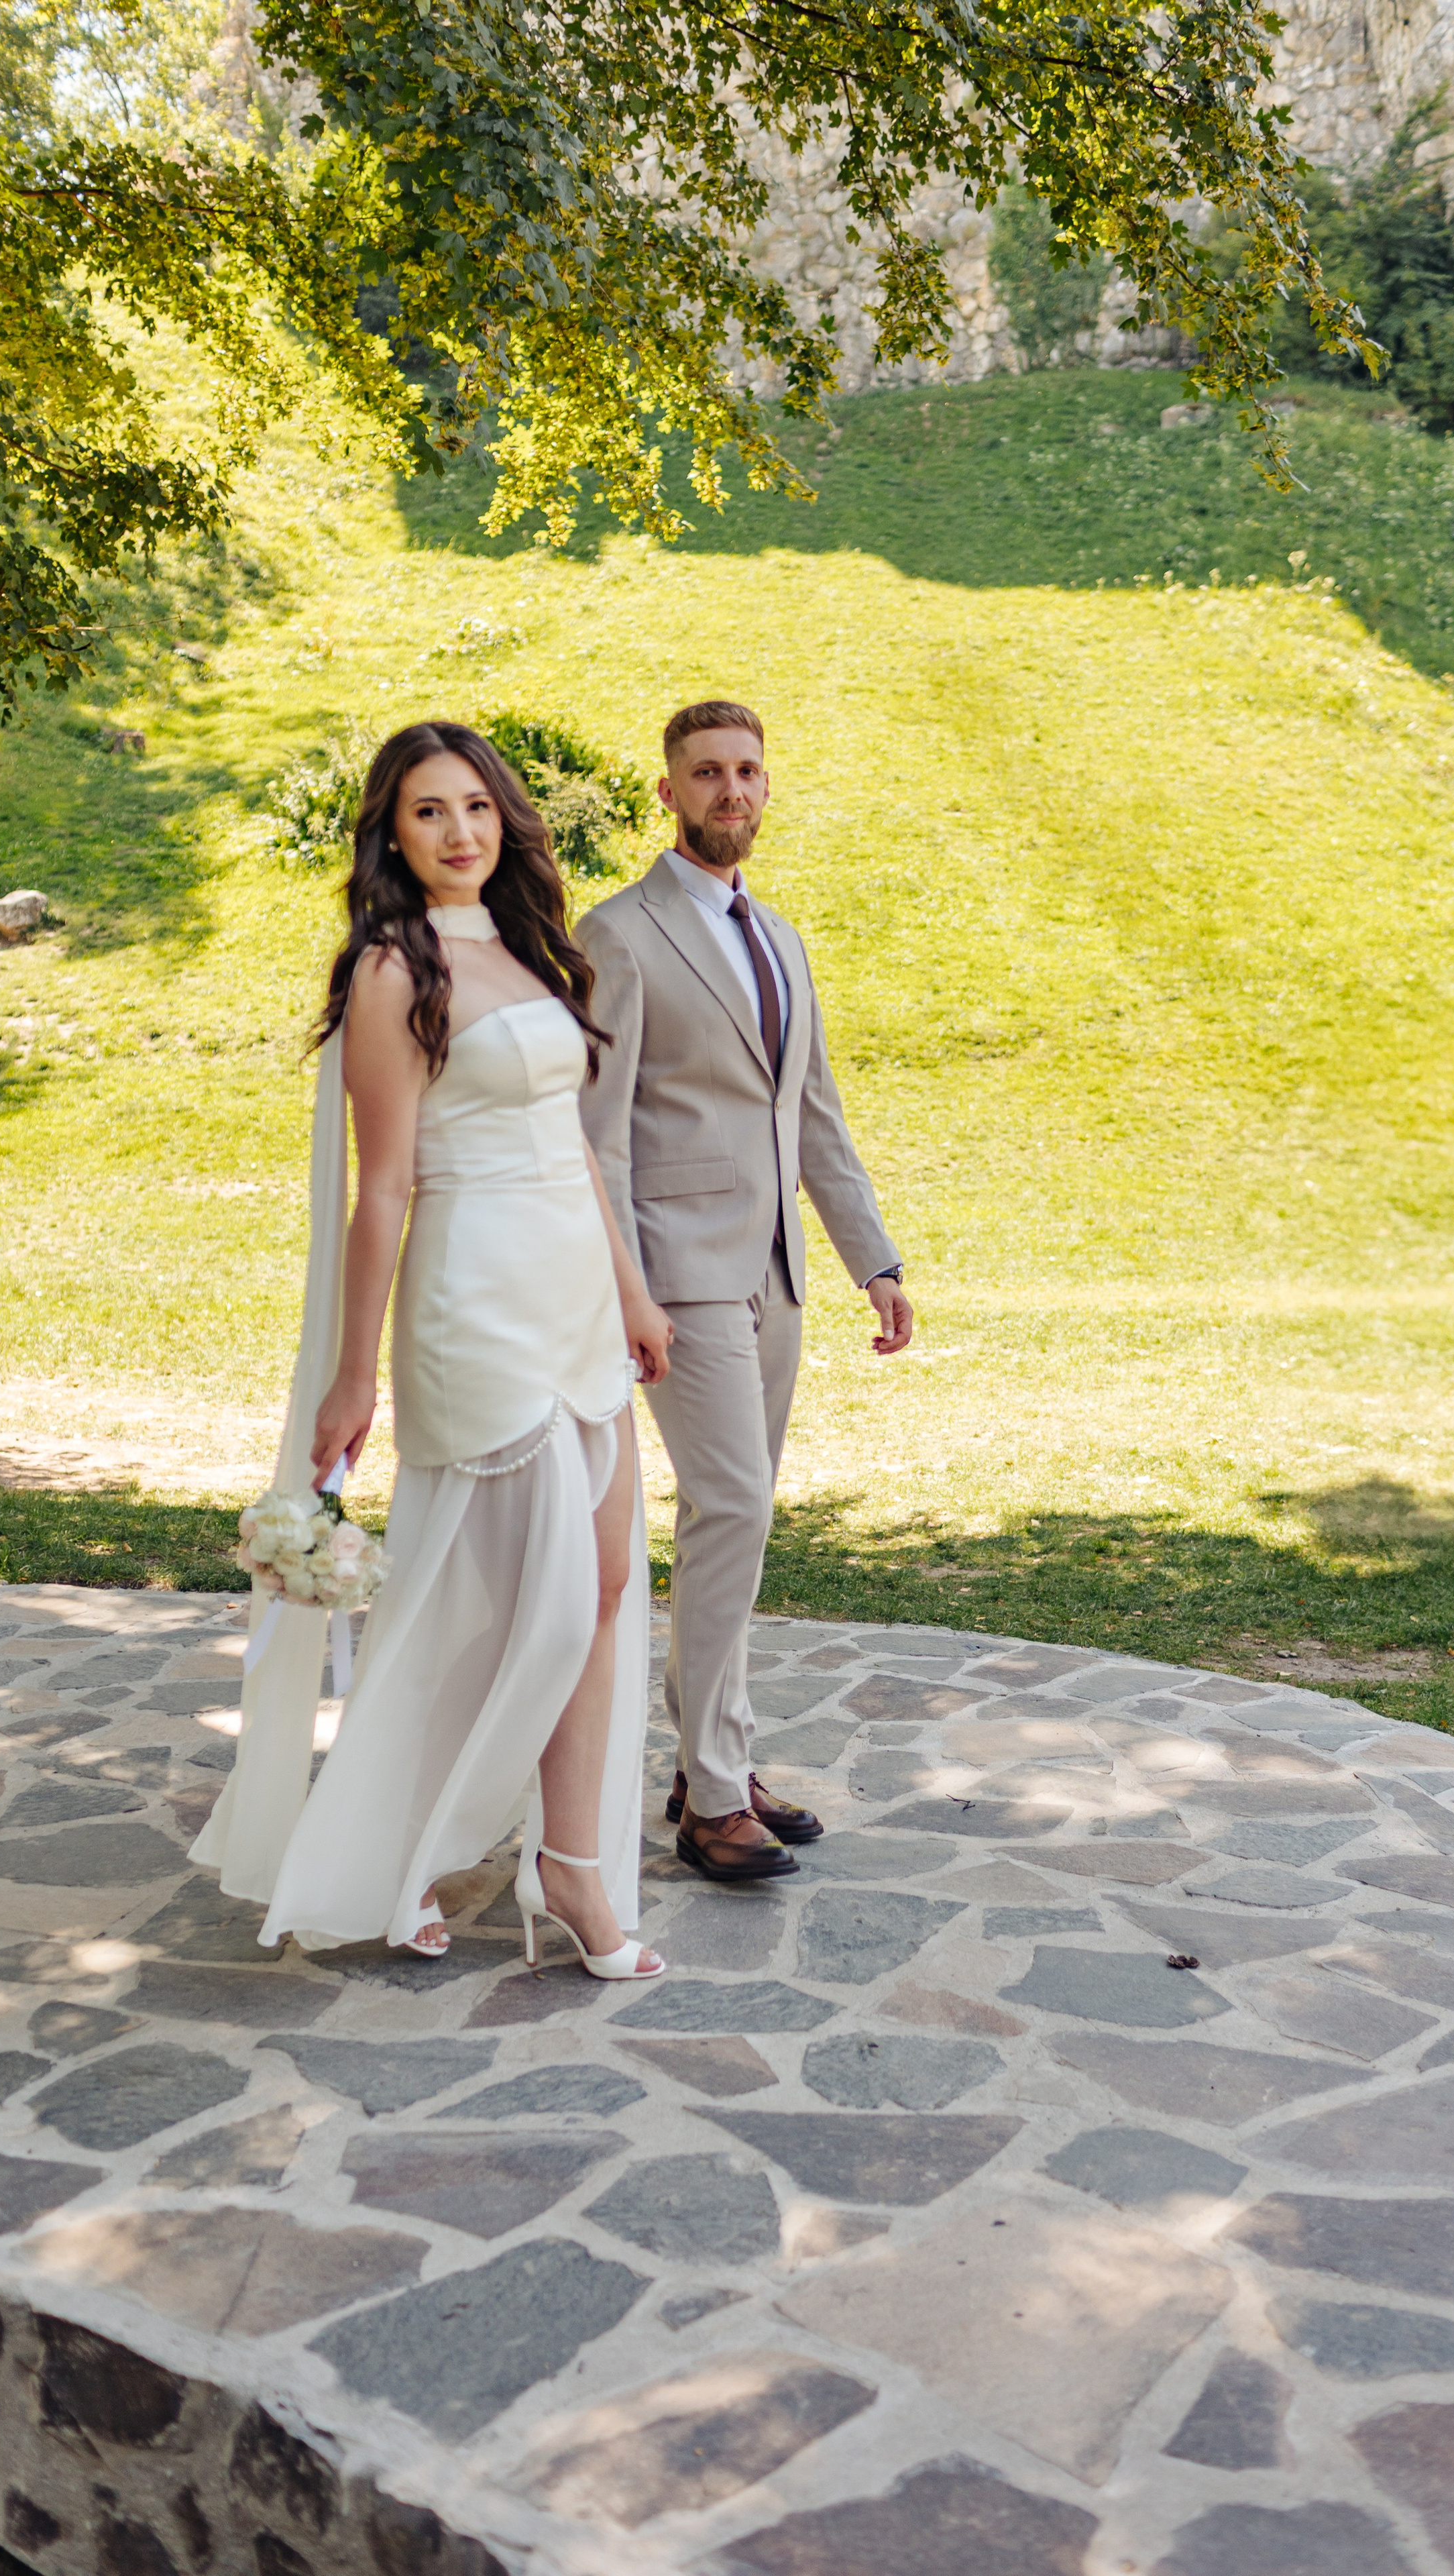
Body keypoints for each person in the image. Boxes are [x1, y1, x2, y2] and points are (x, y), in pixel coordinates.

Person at [192, 722, 670, 1978]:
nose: (460, 832)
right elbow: (385, 1189)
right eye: (427, 814)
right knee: (516, 1604)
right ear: (391, 837)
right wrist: (354, 1375)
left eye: (475, 807)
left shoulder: (524, 949)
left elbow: (574, 1144)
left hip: (574, 1299)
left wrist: (632, 1293)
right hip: (475, 1306)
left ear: (504, 818)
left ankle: (568, 1863)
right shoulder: (392, 971)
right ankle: (394, 1851)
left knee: (610, 1592)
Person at [578, 699, 913, 1885]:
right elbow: (598, 1137)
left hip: (773, 1275)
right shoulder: (618, 936)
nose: (733, 791)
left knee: (742, 1520)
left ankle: (709, 1761)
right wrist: (628, 1289)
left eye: (749, 772)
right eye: (708, 773)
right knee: (734, 1510)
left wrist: (871, 1258)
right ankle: (711, 1800)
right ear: (667, 790)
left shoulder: (778, 935)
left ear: (769, 787)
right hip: (679, 1274)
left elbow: (812, 1113)